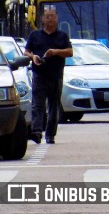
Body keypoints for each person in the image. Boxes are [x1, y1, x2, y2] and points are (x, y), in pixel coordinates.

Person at [24, 8, 73, 144]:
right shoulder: (35, 35)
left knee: (54, 106)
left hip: (56, 75)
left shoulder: (62, 36)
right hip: (39, 74)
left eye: (52, 16)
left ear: (56, 18)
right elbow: (26, 52)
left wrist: (55, 52)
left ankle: (50, 134)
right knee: (37, 105)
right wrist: (33, 56)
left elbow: (70, 52)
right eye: (47, 16)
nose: (50, 19)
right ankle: (37, 132)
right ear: (43, 19)